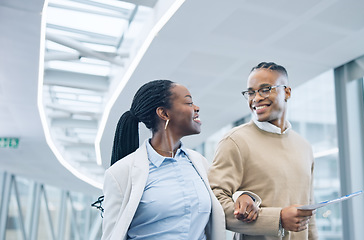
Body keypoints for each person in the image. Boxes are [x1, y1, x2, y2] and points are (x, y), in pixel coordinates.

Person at [101, 80, 259, 240]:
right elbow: (112, 235)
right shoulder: (120, 173)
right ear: (164, 114)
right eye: (189, 102)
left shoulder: (199, 163)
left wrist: (241, 196)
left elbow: (219, 195)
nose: (196, 108)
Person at [208, 62, 318, 240]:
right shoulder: (234, 141)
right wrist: (277, 219)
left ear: (287, 92)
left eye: (265, 89)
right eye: (251, 92)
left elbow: (309, 214)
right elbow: (215, 204)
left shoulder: (304, 146)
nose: (256, 98)